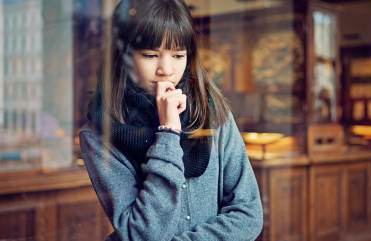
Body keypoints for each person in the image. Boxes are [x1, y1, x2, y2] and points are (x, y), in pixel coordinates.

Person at [78, 0, 263, 241]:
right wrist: (168, 132)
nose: (166, 69)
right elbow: (143, 234)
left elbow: (249, 214)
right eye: (150, 55)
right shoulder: (98, 134)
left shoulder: (211, 110)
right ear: (123, 57)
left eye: (178, 55)